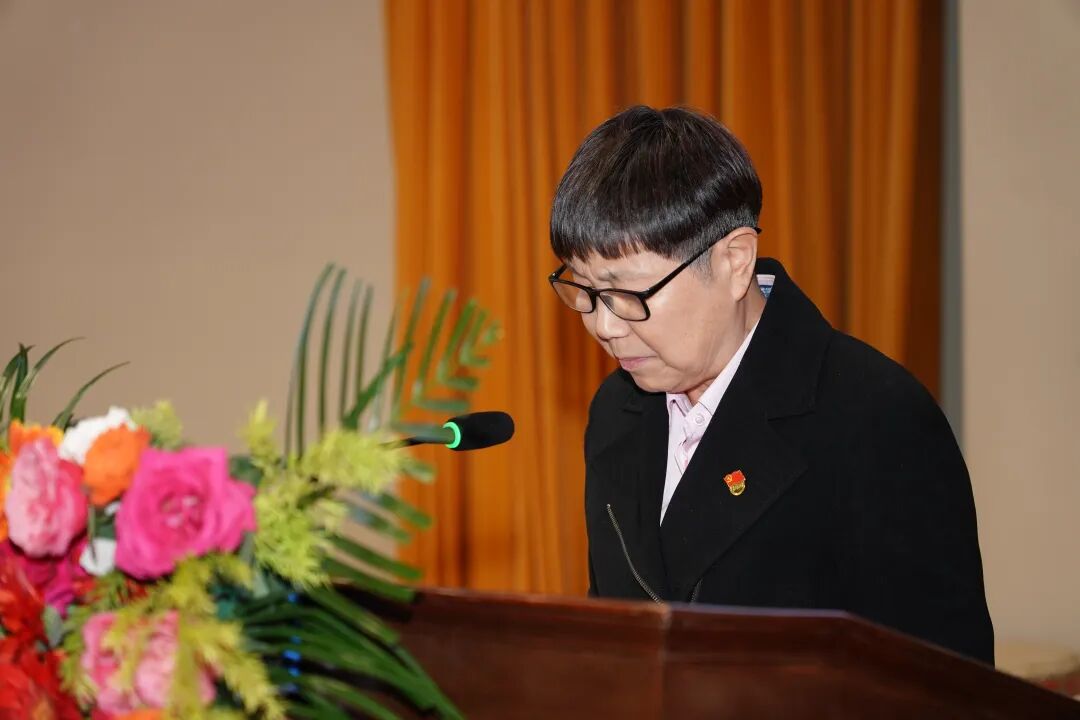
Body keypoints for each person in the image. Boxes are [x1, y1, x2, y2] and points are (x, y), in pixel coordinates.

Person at [547, 105, 994, 665]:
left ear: (735, 261)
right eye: (584, 290)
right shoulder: (618, 410)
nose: (605, 326)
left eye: (628, 294)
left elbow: (944, 681)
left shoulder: (874, 417)